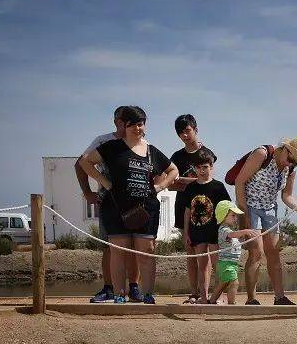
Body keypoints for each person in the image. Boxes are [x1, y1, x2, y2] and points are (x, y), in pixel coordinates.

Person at [79, 106, 178, 304]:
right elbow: (84, 162)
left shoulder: (152, 151)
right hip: (116, 207)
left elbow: (173, 170)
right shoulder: (112, 146)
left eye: (140, 124)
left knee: (146, 251)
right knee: (118, 252)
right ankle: (119, 294)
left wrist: (160, 186)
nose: (137, 128)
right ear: (124, 126)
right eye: (132, 124)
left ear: (145, 125)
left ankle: (148, 293)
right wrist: (104, 182)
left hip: (146, 208)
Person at [233, 136, 297, 305]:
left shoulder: (290, 169)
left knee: (274, 253)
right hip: (250, 207)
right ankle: (251, 299)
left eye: (296, 163)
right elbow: (239, 182)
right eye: (291, 159)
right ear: (285, 149)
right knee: (256, 253)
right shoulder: (262, 154)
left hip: (270, 209)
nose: (291, 164)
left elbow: (287, 196)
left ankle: (280, 297)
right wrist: (244, 213)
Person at [75, 106, 141, 303]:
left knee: (134, 246)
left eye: (133, 122)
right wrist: (87, 192)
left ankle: (134, 288)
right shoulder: (104, 141)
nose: (129, 125)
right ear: (117, 122)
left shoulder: (139, 142)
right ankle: (109, 288)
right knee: (110, 247)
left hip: (133, 202)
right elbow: (81, 163)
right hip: (109, 201)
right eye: (125, 121)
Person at [171, 114, 218, 302]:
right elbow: (170, 183)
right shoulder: (176, 156)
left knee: (205, 253)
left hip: (205, 209)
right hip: (183, 206)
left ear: (195, 130)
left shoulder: (207, 153)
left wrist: (185, 181)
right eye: (180, 132)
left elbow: (208, 181)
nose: (184, 135)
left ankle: (205, 293)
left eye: (187, 130)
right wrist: (189, 182)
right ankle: (194, 292)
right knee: (190, 252)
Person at [180, 147, 230, 303]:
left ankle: (220, 296)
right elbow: (187, 212)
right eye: (199, 167)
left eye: (205, 167)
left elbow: (227, 209)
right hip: (196, 231)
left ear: (211, 166)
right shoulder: (191, 187)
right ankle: (203, 297)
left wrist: (225, 230)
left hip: (214, 232)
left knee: (217, 265)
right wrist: (186, 233)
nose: (202, 170)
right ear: (195, 168)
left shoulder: (218, 187)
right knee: (202, 265)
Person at [208, 200, 260, 305]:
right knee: (234, 283)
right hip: (226, 263)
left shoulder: (230, 229)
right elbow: (232, 235)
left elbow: (234, 239)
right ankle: (232, 304)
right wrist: (245, 231)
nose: (235, 218)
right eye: (233, 215)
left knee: (223, 283)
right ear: (224, 215)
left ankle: (211, 301)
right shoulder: (224, 229)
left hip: (230, 263)